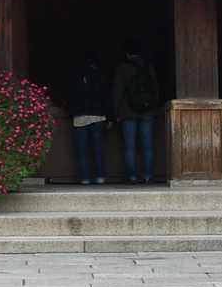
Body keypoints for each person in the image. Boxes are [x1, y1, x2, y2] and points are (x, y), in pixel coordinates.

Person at [111, 41, 159, 184]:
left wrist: (117, 112)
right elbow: (155, 91)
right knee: (147, 146)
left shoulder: (123, 68)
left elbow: (117, 92)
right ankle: (148, 175)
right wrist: (153, 108)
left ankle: (131, 176)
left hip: (128, 112)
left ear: (127, 53)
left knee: (130, 146)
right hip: (147, 111)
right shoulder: (149, 68)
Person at [67, 53, 111, 185]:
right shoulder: (101, 78)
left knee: (82, 150)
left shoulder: (76, 77)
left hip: (80, 116)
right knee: (98, 149)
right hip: (98, 116)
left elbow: (69, 97)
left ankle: (85, 179)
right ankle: (100, 177)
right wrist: (109, 117)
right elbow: (107, 99)